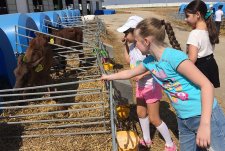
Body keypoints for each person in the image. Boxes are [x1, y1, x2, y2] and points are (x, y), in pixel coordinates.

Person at [101, 17, 225, 151]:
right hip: (183, 118)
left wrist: (205, 124)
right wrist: (108, 76)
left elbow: (207, 85)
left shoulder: (173, 57)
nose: (135, 45)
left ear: (146, 41)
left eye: (137, 41)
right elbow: (130, 73)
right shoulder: (150, 61)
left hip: (204, 115)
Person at [116, 16, 176, 150]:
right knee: (141, 113)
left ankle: (170, 144)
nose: (125, 35)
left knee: (154, 119)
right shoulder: (133, 47)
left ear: (136, 32)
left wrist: (141, 74)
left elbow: (155, 67)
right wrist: (125, 44)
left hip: (151, 86)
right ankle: (147, 139)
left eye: (126, 33)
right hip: (140, 86)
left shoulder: (147, 49)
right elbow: (128, 61)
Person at [185, 0, 220, 88]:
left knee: (200, 95)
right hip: (211, 64)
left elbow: (192, 60)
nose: (185, 19)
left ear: (197, 14)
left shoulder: (194, 34)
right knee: (209, 92)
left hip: (200, 68)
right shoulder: (210, 29)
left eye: (187, 16)